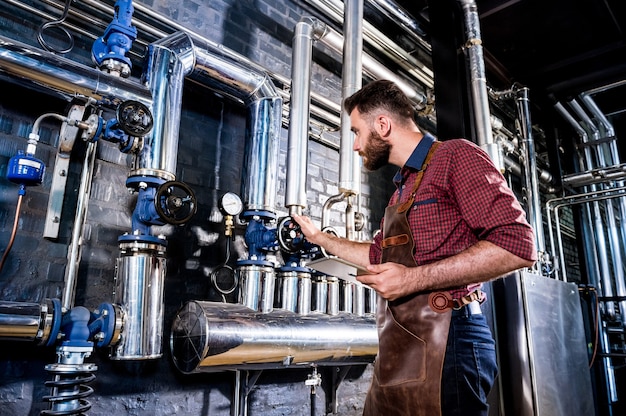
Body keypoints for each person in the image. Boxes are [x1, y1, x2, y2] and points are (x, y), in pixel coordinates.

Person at [293, 79, 537, 416]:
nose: (355, 145)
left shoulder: (456, 156)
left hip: (450, 338)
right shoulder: (400, 191)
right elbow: (377, 256)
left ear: (382, 125)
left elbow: (517, 244)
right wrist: (321, 239)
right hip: (401, 343)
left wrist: (411, 280)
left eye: (356, 131)